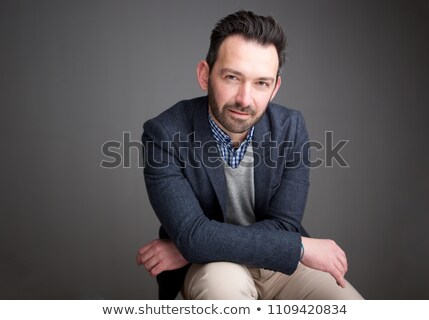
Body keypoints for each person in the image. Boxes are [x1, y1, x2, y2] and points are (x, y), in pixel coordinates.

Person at [136, 10, 363, 300]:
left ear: (275, 87)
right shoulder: (164, 133)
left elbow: (284, 225)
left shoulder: (290, 128)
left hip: (279, 266)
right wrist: (300, 247)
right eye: (232, 77)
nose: (245, 99)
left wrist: (194, 241)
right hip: (212, 265)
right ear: (205, 75)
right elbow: (194, 237)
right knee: (225, 294)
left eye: (261, 83)